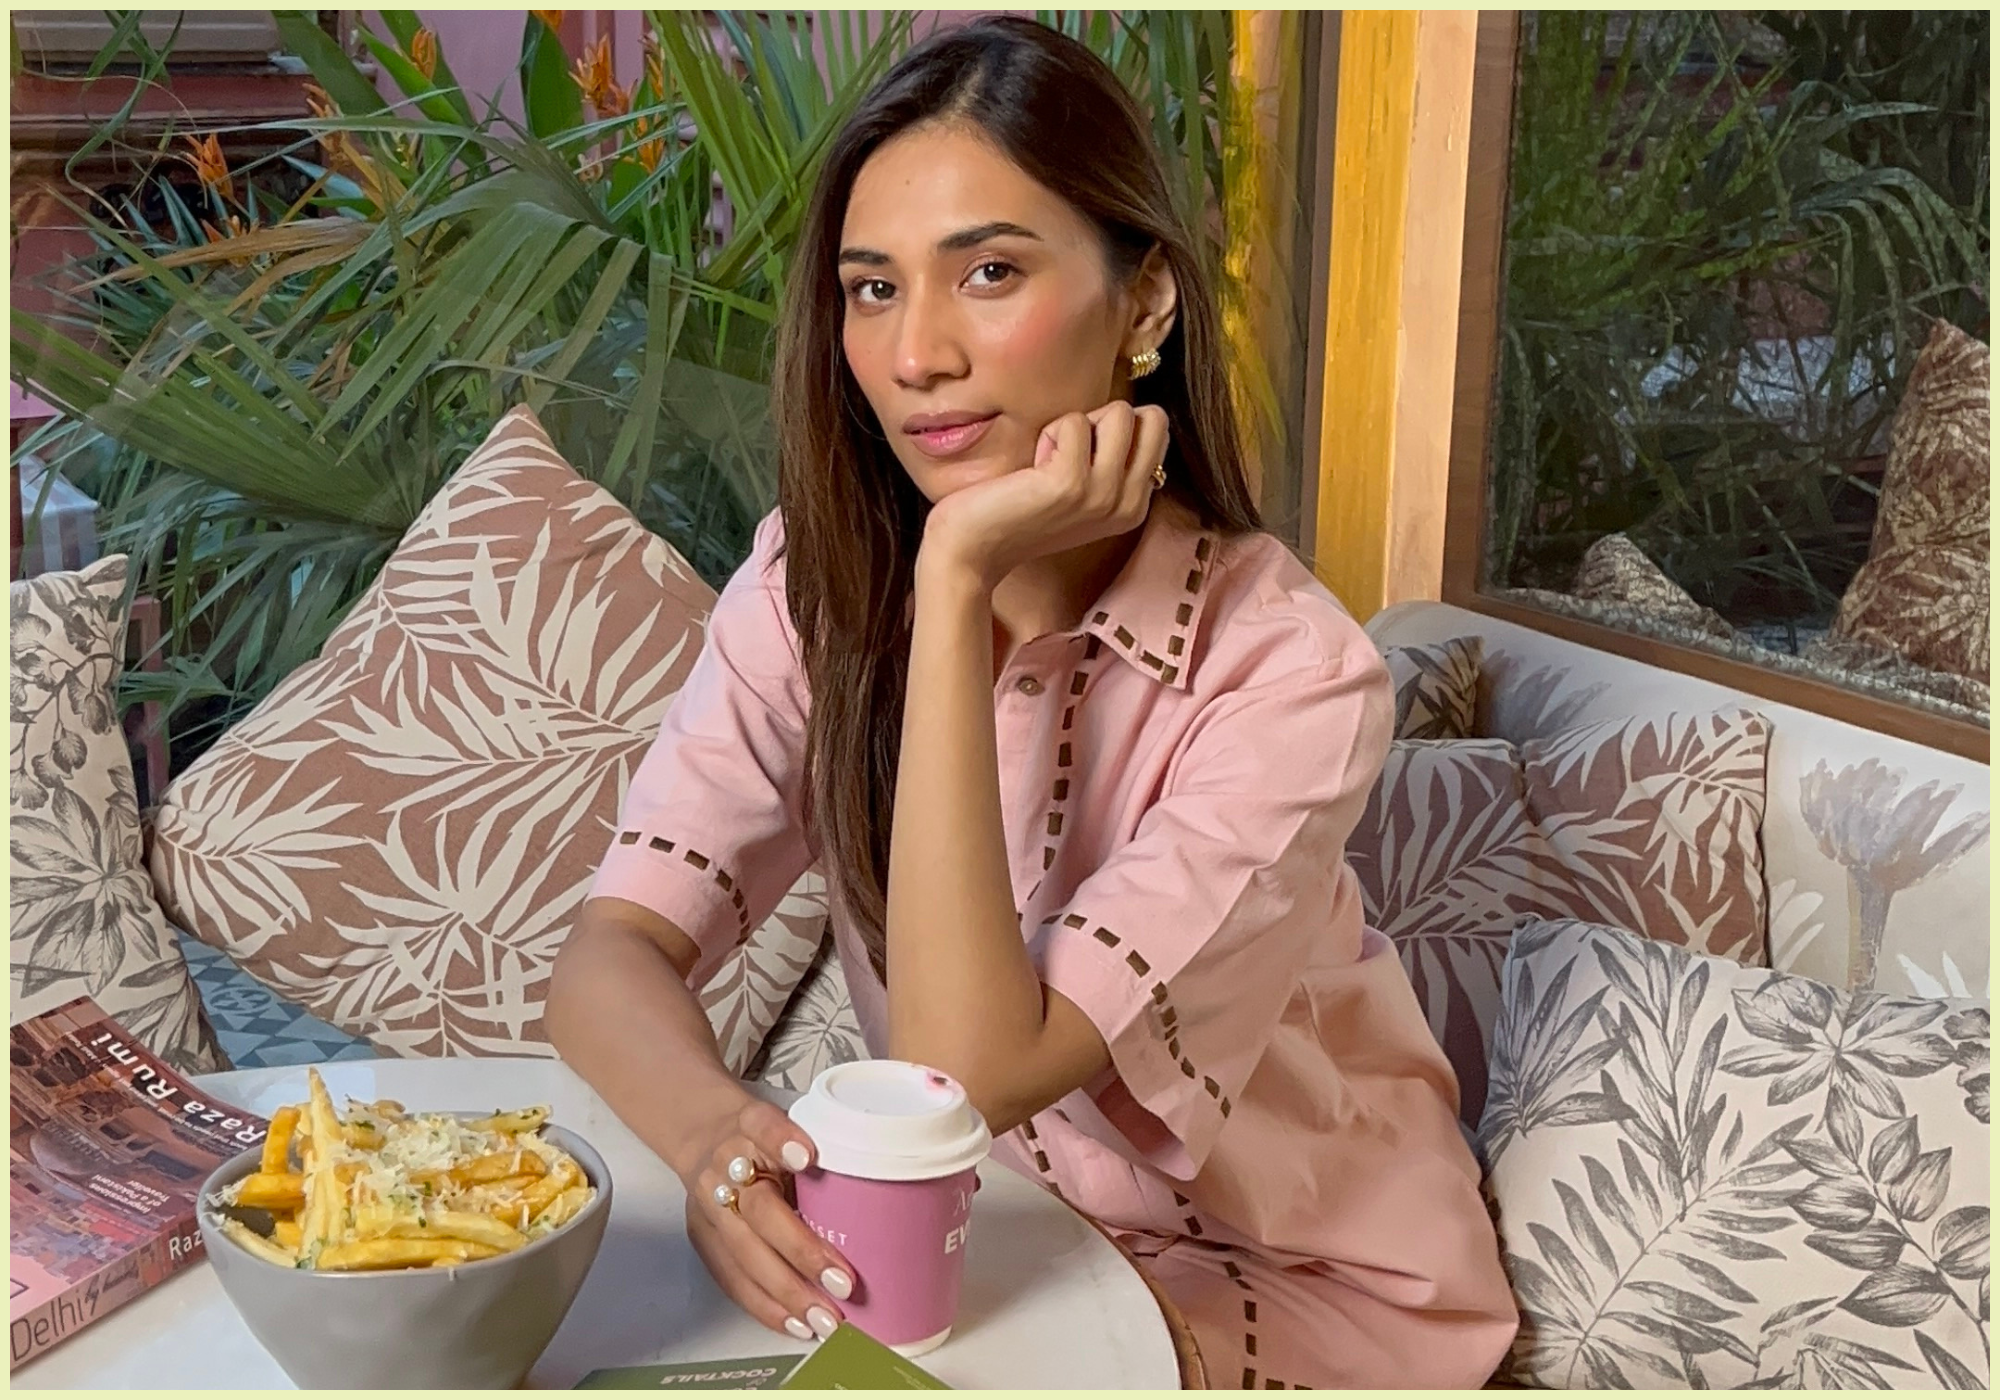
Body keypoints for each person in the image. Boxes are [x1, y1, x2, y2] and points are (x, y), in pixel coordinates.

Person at [547, 16, 1516, 1389]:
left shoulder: (1289, 672)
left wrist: (954, 582)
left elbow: (959, 1068)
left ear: (1146, 304)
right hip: (981, 1240)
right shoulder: (811, 587)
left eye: (989, 272)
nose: (916, 353)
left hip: (1288, 1283)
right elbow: (609, 958)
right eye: (871, 289)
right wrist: (716, 1143)